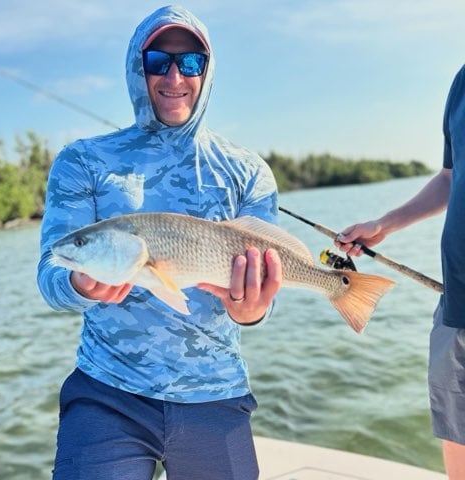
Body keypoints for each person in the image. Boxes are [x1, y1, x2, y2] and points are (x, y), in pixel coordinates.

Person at [37, 5, 282, 480]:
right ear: (137, 65)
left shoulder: (248, 171)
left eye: (191, 62)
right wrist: (80, 285)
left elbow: (256, 303)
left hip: (215, 391)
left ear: (207, 72)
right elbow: (50, 274)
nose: (175, 75)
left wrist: (250, 307)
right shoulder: (83, 161)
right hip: (107, 390)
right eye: (158, 61)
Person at [335, 64, 465, 480]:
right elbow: (449, 178)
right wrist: (383, 225)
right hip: (456, 309)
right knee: (458, 442)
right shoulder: (462, 83)